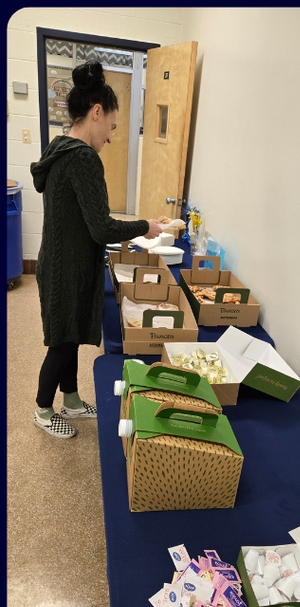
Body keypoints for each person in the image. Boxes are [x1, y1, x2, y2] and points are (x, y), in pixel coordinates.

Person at [29, 61, 163, 439]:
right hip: (66, 267)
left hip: (58, 261)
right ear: (97, 112)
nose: (110, 136)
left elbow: (85, 221)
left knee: (68, 335)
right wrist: (146, 227)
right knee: (60, 342)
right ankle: (42, 409)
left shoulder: (60, 148)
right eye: (113, 127)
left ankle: (70, 399)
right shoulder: (84, 158)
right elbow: (102, 226)